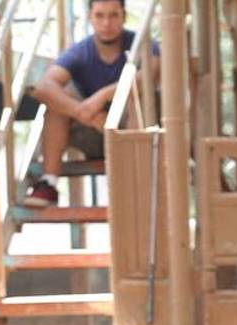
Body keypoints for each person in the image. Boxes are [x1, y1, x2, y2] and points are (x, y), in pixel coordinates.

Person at [23, 0, 160, 208]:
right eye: (100, 15)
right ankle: (48, 183)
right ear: (90, 17)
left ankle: (135, 181)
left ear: (124, 16)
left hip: (130, 132)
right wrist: (82, 112)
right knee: (56, 105)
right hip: (93, 131)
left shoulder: (141, 43)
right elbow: (43, 87)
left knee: (137, 97)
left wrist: (103, 95)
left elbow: (153, 72)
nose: (106, 23)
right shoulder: (81, 51)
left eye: (113, 15)